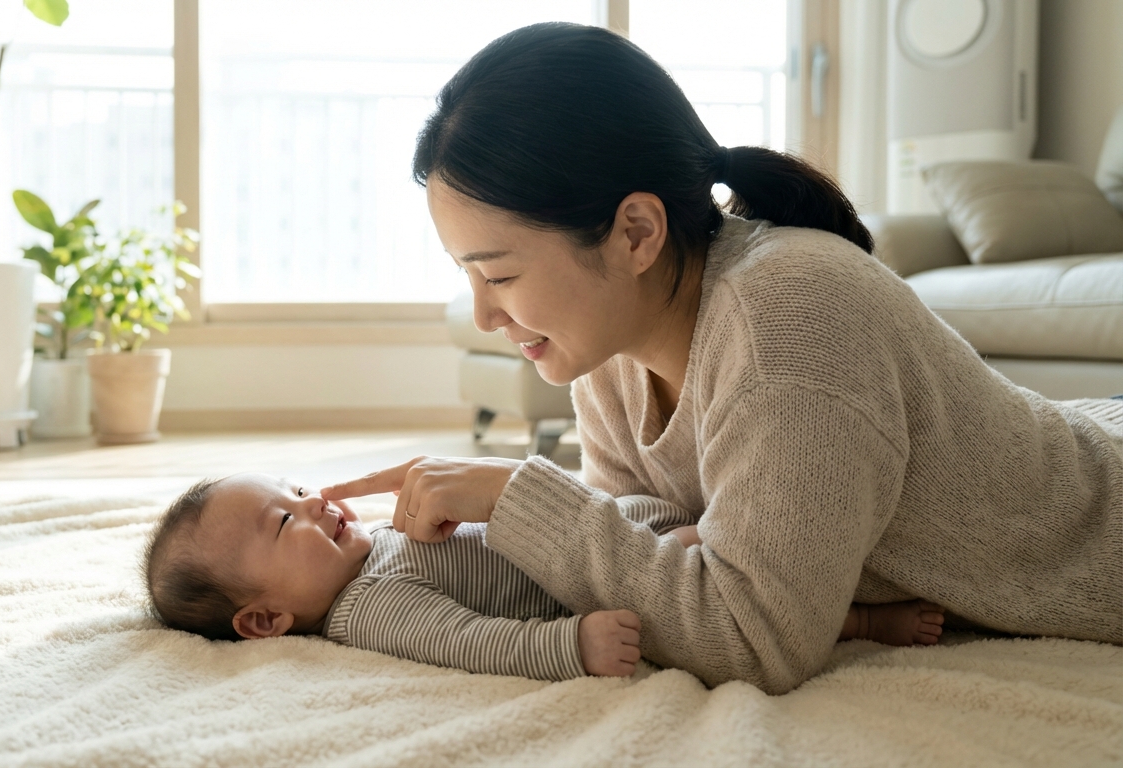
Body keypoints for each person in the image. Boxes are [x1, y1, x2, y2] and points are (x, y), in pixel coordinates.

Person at [320, 22, 1123, 695]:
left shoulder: (788, 319)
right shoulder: (610, 347)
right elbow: (652, 551)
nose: (488, 313)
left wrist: (524, 499)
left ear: (637, 232)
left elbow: (755, 639)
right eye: (467, 275)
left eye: (498, 273)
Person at [142, 474, 946, 681]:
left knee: (693, 520)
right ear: (264, 620)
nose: (314, 501)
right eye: (285, 522)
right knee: (714, 556)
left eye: (293, 488)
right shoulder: (371, 610)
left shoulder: (374, 548)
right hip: (597, 579)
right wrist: (572, 645)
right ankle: (861, 619)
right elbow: (475, 641)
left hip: (592, 525)